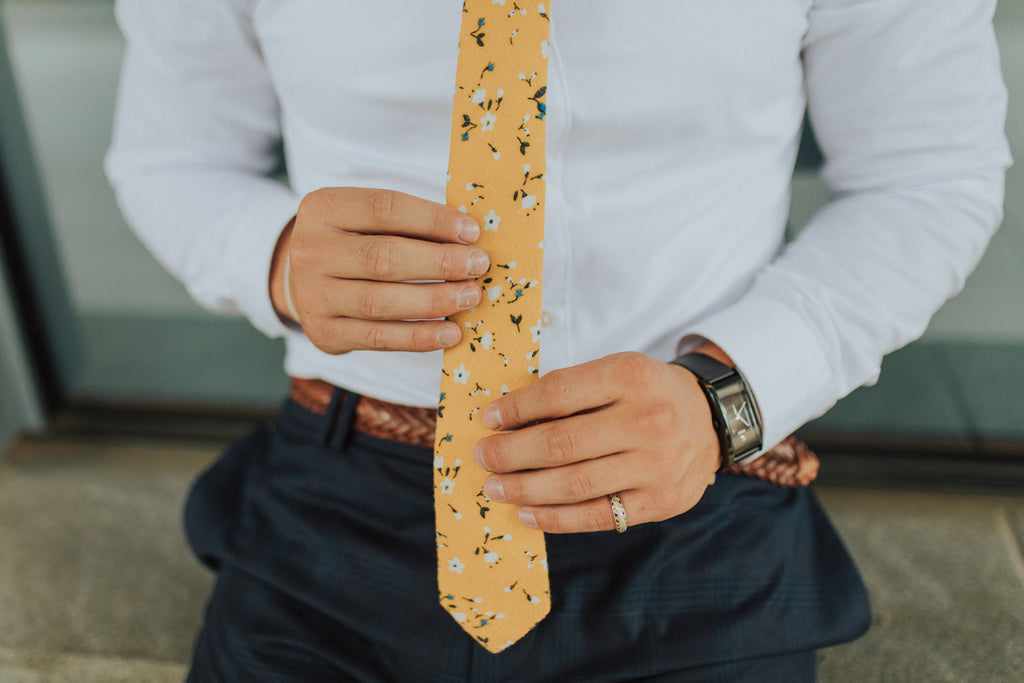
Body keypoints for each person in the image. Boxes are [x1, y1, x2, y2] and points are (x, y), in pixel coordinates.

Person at [105, 1, 1010, 680]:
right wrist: (274, 259)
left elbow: (926, 175)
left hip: (691, 491)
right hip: (343, 490)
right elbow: (174, 156)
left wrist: (727, 398)